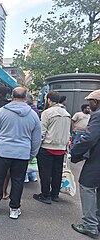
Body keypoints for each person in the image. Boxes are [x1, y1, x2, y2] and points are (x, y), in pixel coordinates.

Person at [0, 87, 41, 219]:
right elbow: (36, 138)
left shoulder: (2, 112)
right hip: (22, 154)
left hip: (2, 151)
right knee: (18, 181)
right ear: (25, 97)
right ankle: (14, 208)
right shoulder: (33, 114)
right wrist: (32, 154)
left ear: (12, 96)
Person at [71, 89, 100, 239]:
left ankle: (90, 225)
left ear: (95, 102)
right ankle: (97, 223)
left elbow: (89, 139)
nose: (88, 106)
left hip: (96, 161)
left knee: (87, 186)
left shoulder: (98, 116)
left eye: (90, 102)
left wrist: (75, 153)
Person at [33, 91, 71, 204]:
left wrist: (36, 146)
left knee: (45, 172)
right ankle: (55, 194)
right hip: (61, 148)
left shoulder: (47, 113)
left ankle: (45, 195)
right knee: (57, 172)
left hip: (47, 147)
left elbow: (42, 132)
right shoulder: (66, 113)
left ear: (49, 100)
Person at [24, 94, 40, 182]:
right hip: (31, 139)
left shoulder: (27, 111)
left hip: (26, 139)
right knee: (32, 159)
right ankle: (33, 175)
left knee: (25, 159)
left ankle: (25, 176)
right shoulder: (35, 111)